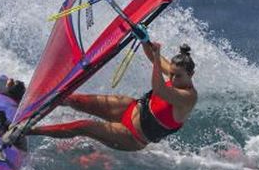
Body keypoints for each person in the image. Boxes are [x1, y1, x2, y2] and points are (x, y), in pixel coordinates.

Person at [28, 41, 198, 151]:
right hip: (130, 108)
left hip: (132, 136)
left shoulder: (188, 98)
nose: (172, 79)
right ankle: (30, 98)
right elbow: (153, 57)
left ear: (191, 75)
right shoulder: (176, 74)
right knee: (75, 99)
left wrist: (157, 58)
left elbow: (159, 89)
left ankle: (28, 131)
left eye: (178, 76)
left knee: (83, 126)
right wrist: (144, 38)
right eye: (171, 74)